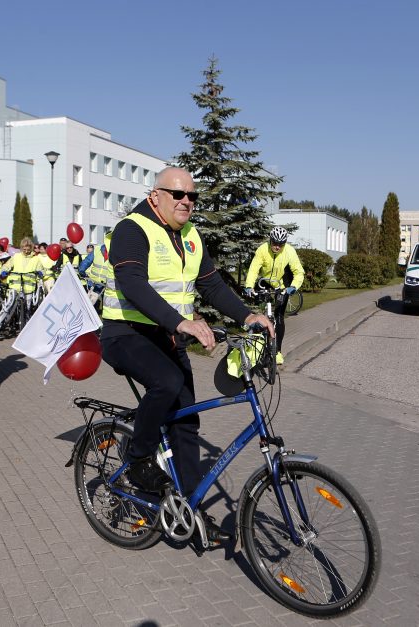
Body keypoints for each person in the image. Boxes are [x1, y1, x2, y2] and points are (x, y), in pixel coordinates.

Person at [101, 167, 274, 545]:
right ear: (155, 196)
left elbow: (211, 285)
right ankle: (138, 459)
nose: (186, 202)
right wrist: (181, 323)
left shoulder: (192, 237)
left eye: (192, 196)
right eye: (177, 194)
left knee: (186, 423)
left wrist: (248, 316)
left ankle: (191, 511)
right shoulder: (133, 229)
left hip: (166, 335)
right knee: (167, 381)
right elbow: (132, 284)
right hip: (125, 332)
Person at [243, 226, 305, 356]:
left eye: (280, 245)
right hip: (265, 282)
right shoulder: (262, 249)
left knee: (279, 316)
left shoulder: (289, 251)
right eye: (275, 243)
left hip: (282, 285)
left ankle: (277, 352)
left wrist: (293, 287)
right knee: (260, 313)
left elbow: (299, 272)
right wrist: (249, 286)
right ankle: (259, 342)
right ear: (270, 240)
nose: (277, 247)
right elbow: (254, 269)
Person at [0, 238, 44, 314]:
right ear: (21, 248)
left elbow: (41, 269)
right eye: (24, 249)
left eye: (28, 249)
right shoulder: (16, 256)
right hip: (15, 286)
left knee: (28, 307)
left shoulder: (36, 259)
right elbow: (7, 266)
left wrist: (40, 273)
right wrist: (4, 271)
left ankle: (26, 321)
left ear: (31, 248)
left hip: (29, 288)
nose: (26, 251)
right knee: (8, 305)